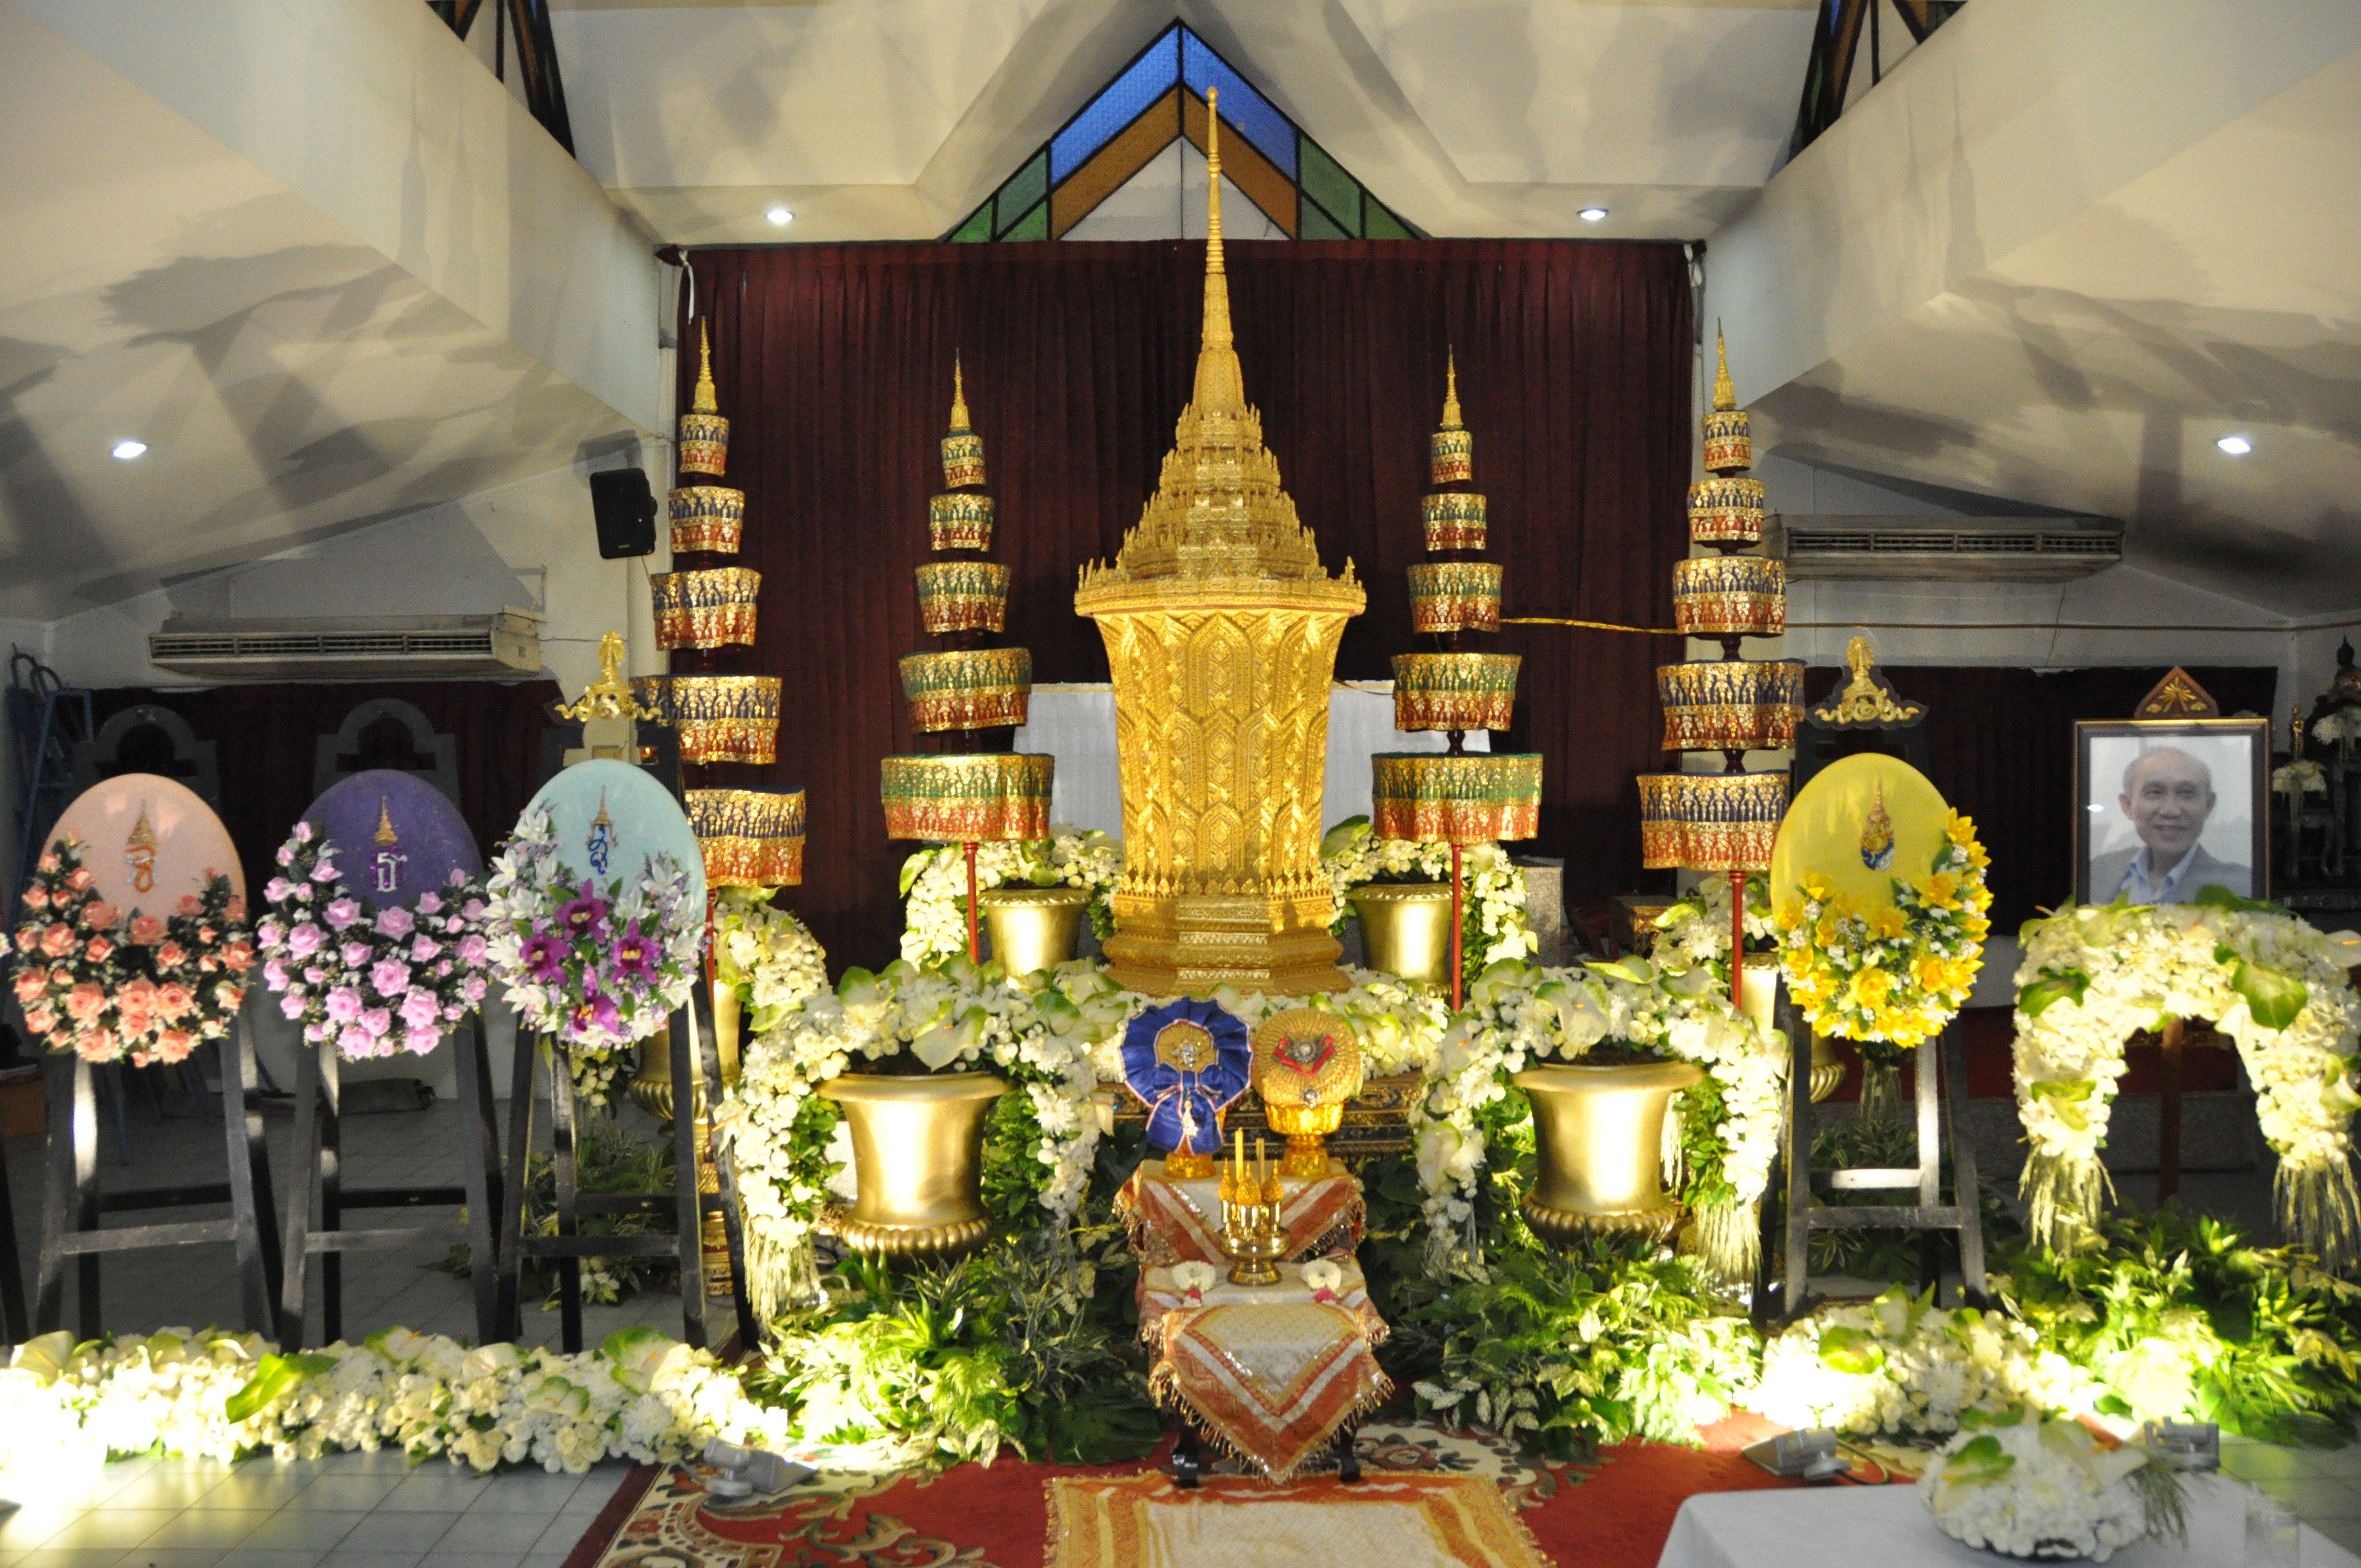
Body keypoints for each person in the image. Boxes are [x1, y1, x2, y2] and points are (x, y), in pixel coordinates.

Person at [2090, 745, 2251, 904]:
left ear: (2209, 805)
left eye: (2186, 793)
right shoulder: (2097, 872)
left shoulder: (2241, 887)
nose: (2171, 810)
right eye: (2155, 793)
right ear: (2128, 805)